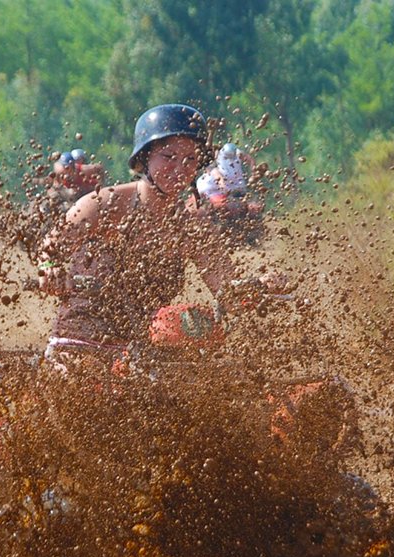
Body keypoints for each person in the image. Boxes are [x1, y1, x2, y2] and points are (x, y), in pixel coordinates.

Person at [37, 104, 276, 368]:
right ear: (145, 158)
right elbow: (51, 249)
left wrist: (260, 287)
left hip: (144, 357)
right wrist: (50, 269)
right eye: (169, 157)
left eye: (190, 159)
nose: (180, 168)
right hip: (81, 347)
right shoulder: (104, 203)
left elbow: (228, 292)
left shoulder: (194, 228)